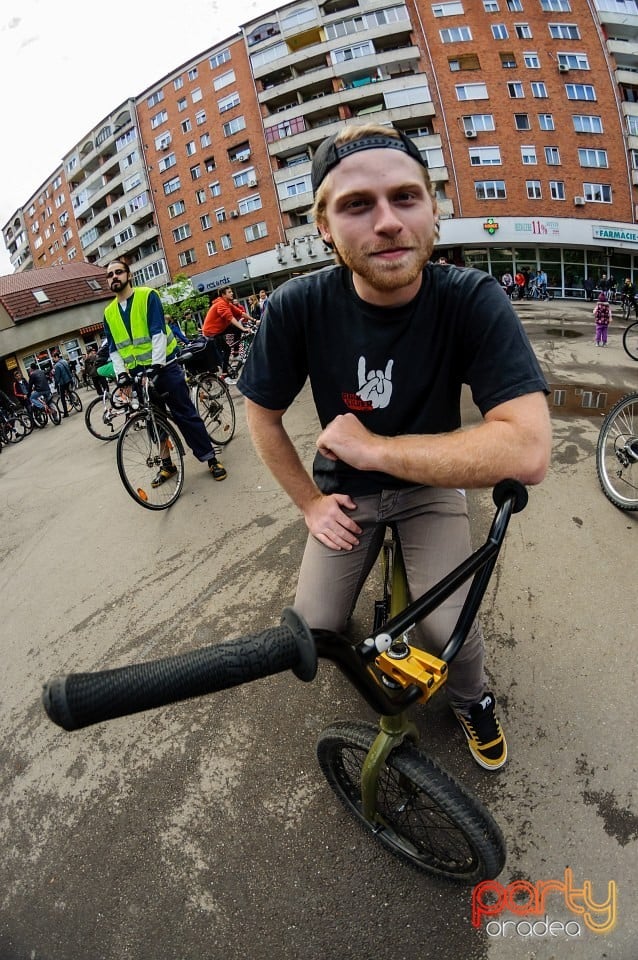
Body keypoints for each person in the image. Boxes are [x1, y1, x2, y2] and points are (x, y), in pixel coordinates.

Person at [238, 123, 552, 771]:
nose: (387, 222)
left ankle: (471, 701)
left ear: (433, 208)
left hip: (428, 490)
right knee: (316, 633)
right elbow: (262, 417)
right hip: (344, 495)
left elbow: (526, 449)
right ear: (323, 225)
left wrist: (377, 450)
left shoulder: (471, 300)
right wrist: (308, 504)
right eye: (357, 205)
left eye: (406, 197)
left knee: (449, 633)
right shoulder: (296, 307)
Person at [102, 258, 227, 485]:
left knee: (184, 414)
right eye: (109, 275)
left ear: (129, 275)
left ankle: (210, 458)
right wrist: (122, 375)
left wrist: (157, 365)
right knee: (152, 420)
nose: (114, 277)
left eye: (118, 272)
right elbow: (113, 348)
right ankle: (167, 464)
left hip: (164, 367)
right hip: (139, 374)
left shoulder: (147, 296)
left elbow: (157, 332)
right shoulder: (109, 312)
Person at [202, 286, 252, 382]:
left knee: (237, 329)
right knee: (226, 350)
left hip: (220, 329)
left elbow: (240, 313)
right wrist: (243, 328)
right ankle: (225, 375)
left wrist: (254, 320)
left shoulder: (227, 303)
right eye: (229, 292)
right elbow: (230, 318)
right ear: (223, 295)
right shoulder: (221, 304)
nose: (232, 293)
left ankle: (236, 354)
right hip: (211, 333)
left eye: (232, 291)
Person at [52, 350, 74, 417]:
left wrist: (55, 385)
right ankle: (74, 401)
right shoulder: (64, 361)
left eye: (53, 358)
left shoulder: (57, 366)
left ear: (56, 357)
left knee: (62, 398)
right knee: (69, 392)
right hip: (69, 380)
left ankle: (66, 413)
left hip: (63, 383)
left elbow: (57, 377)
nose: (53, 359)